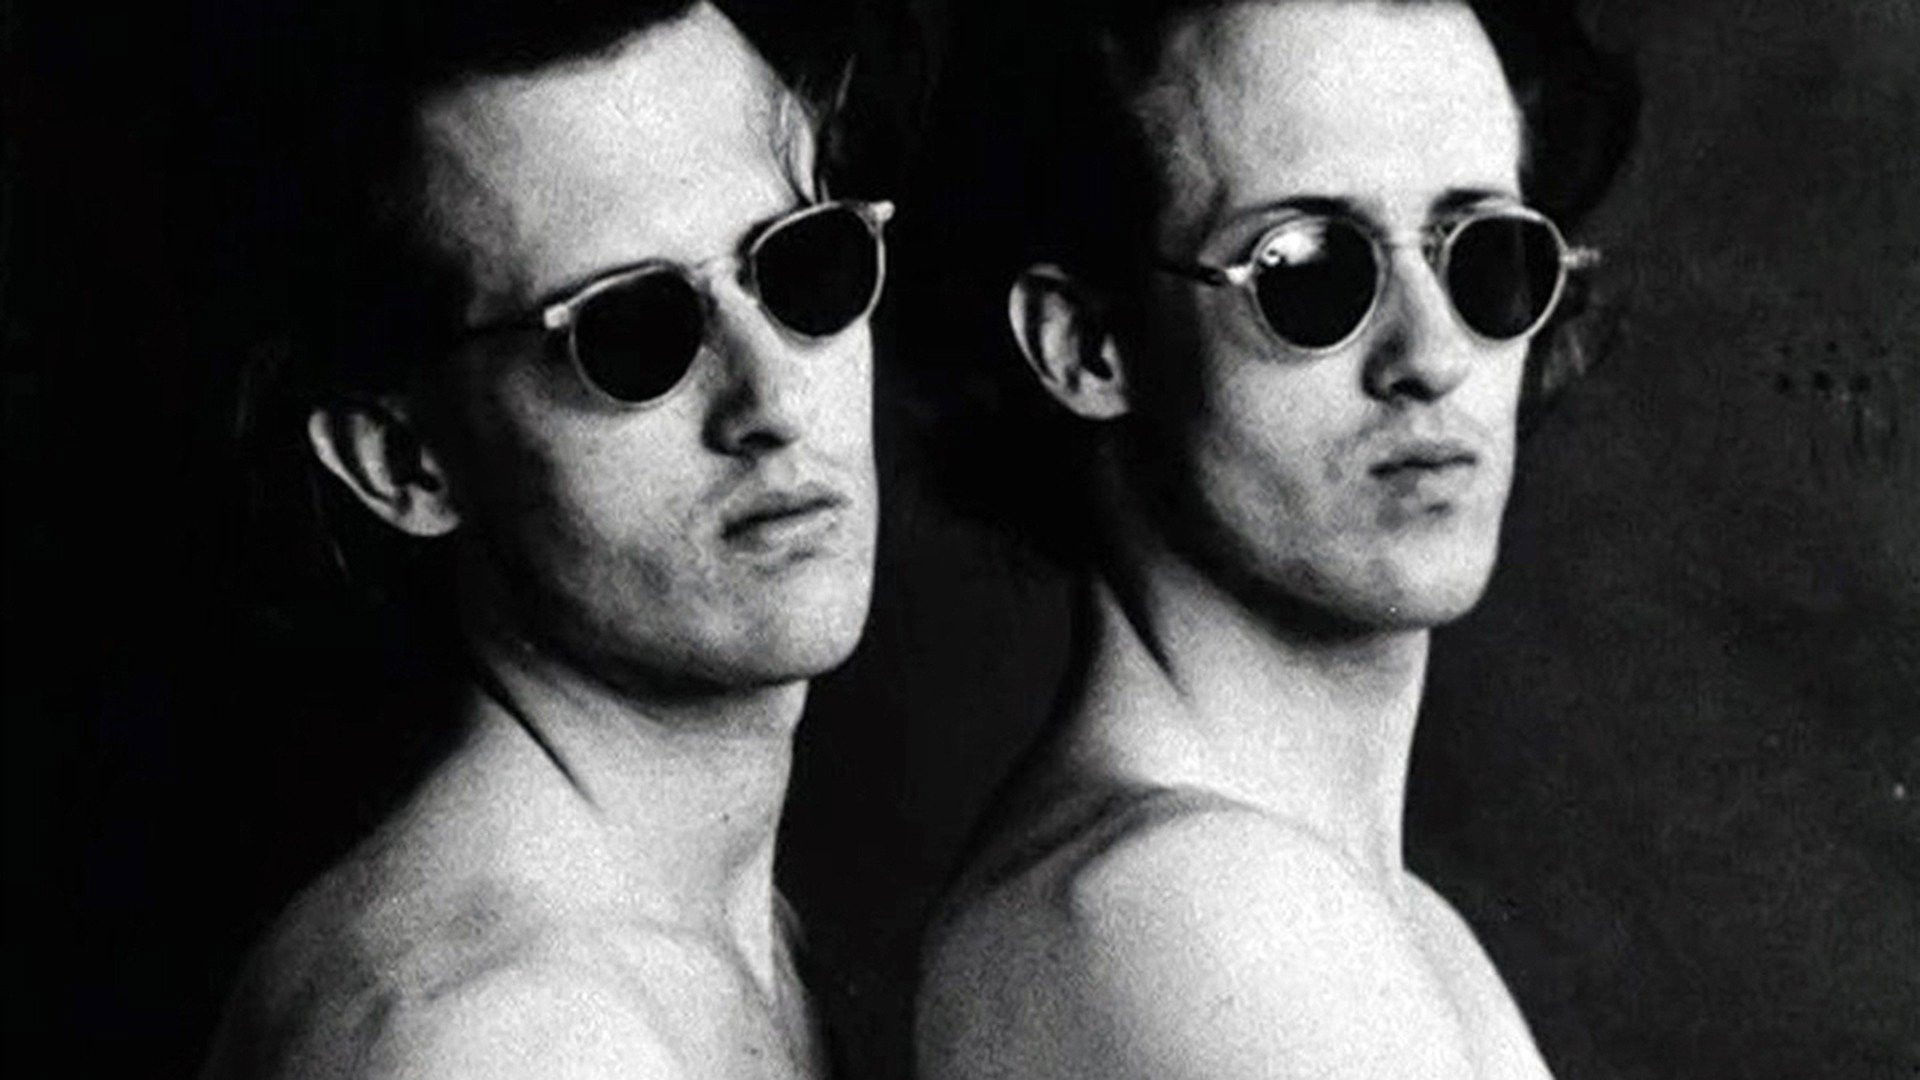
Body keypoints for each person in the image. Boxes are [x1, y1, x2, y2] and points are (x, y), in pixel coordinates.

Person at [913, 1, 1636, 1077]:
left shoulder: (1396, 923)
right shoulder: (1187, 909)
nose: (1431, 353)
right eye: (1306, 270)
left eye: (1485, 253)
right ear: (1088, 346)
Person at [198, 2, 891, 1077]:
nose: (772, 399)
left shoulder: (720, 935)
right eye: (631, 332)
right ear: (404, 464)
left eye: (805, 265)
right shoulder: (504, 1037)